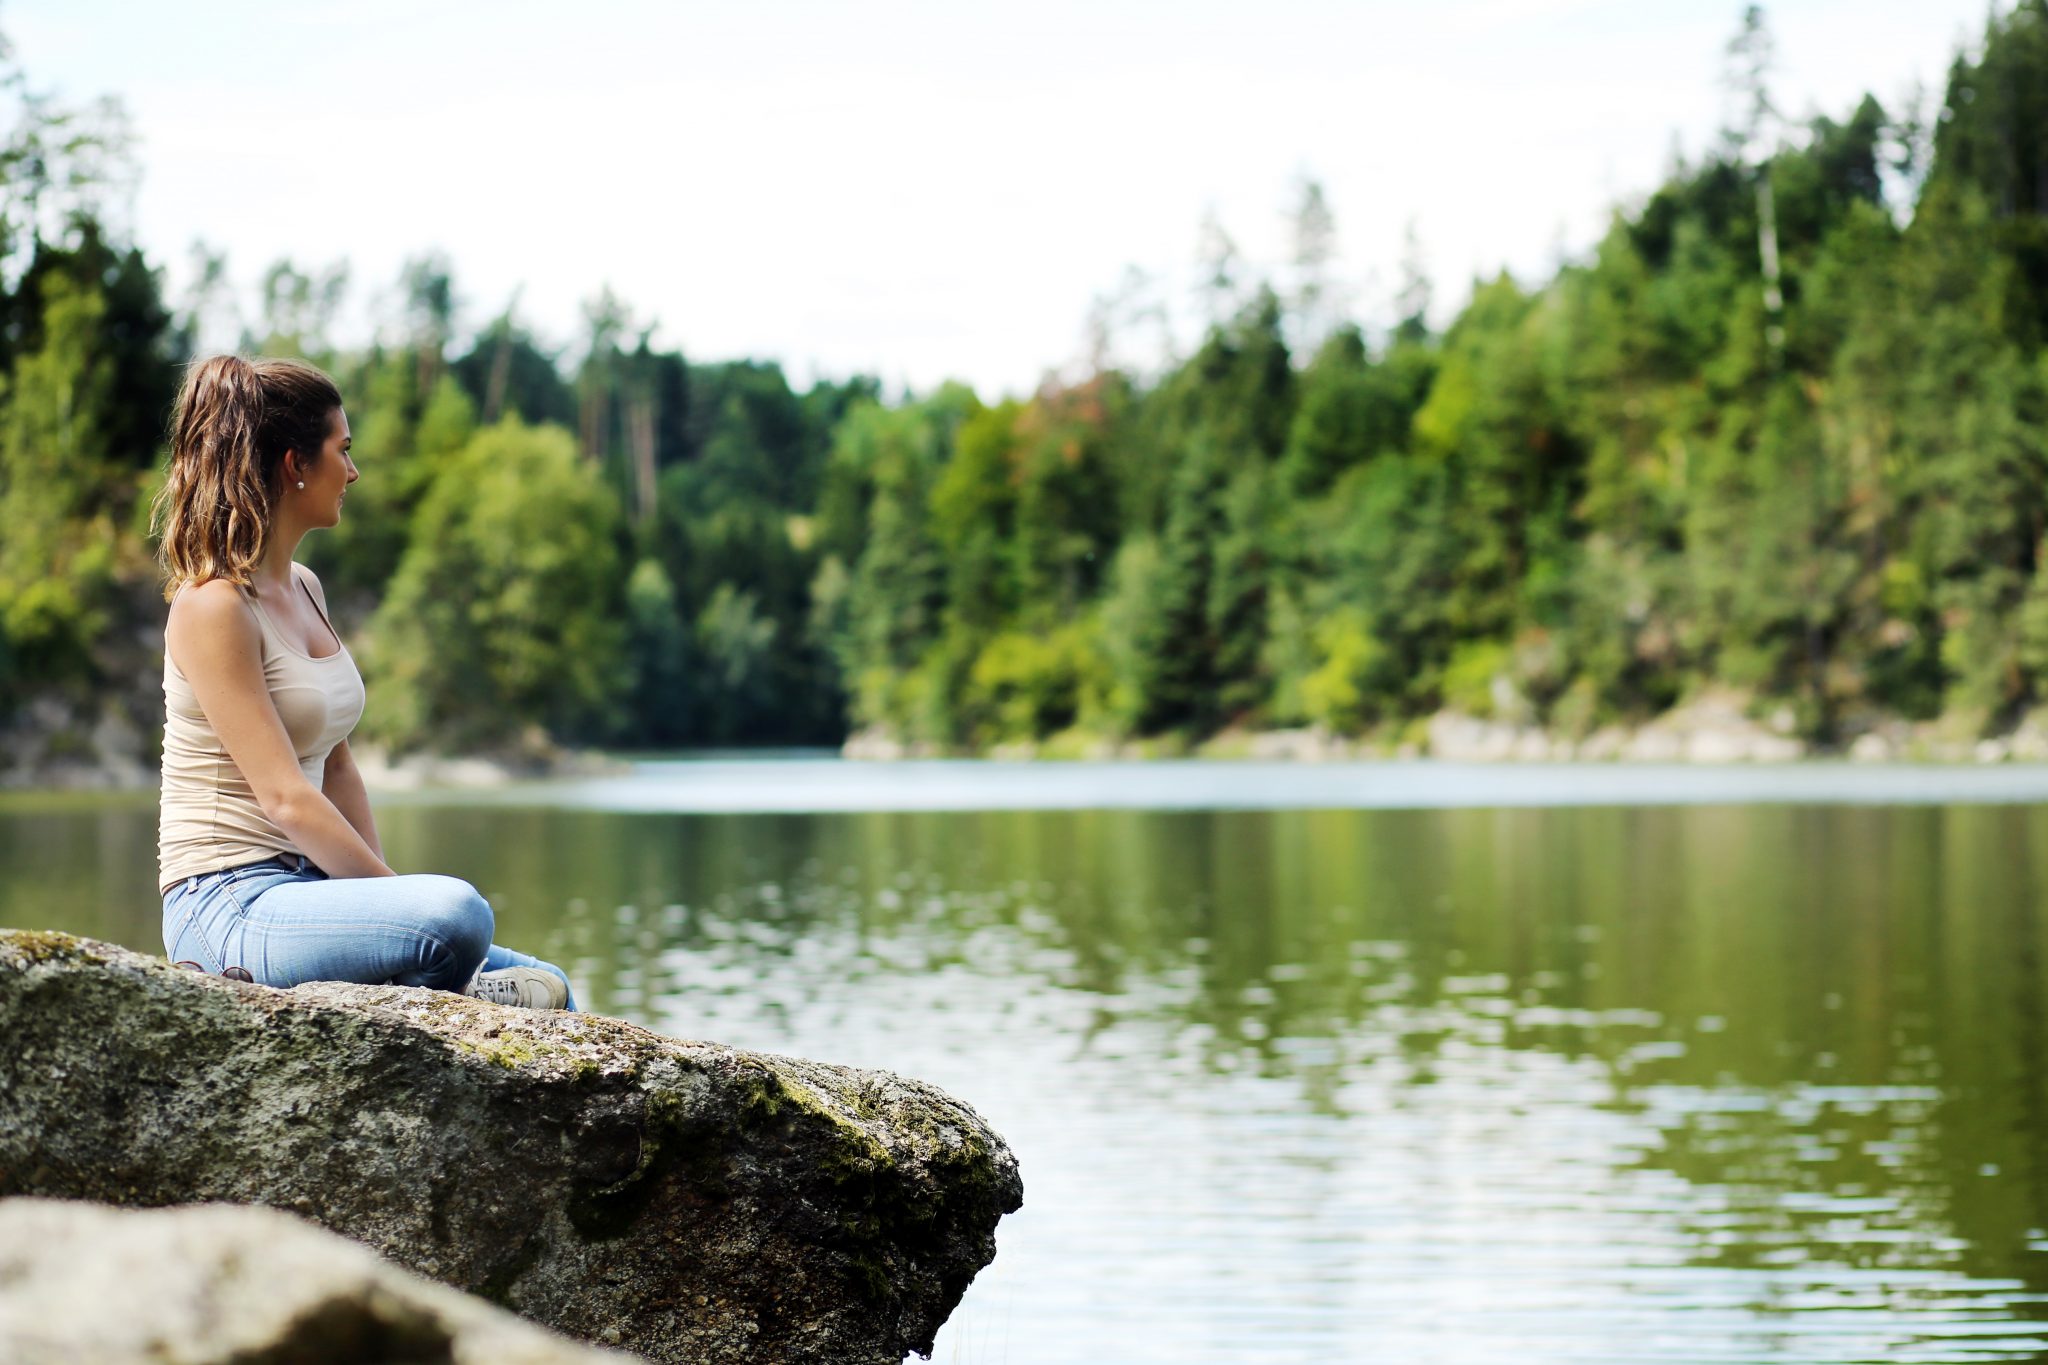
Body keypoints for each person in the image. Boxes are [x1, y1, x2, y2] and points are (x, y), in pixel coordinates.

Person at [150, 354, 576, 1010]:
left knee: (555, 989)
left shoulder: (305, 588)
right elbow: (286, 798)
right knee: (457, 915)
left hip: (305, 892)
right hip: (224, 904)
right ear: (296, 465)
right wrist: (398, 903)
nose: (353, 471)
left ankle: (440, 982)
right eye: (342, 451)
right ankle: (442, 983)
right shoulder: (213, 607)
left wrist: (388, 901)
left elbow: (338, 764)